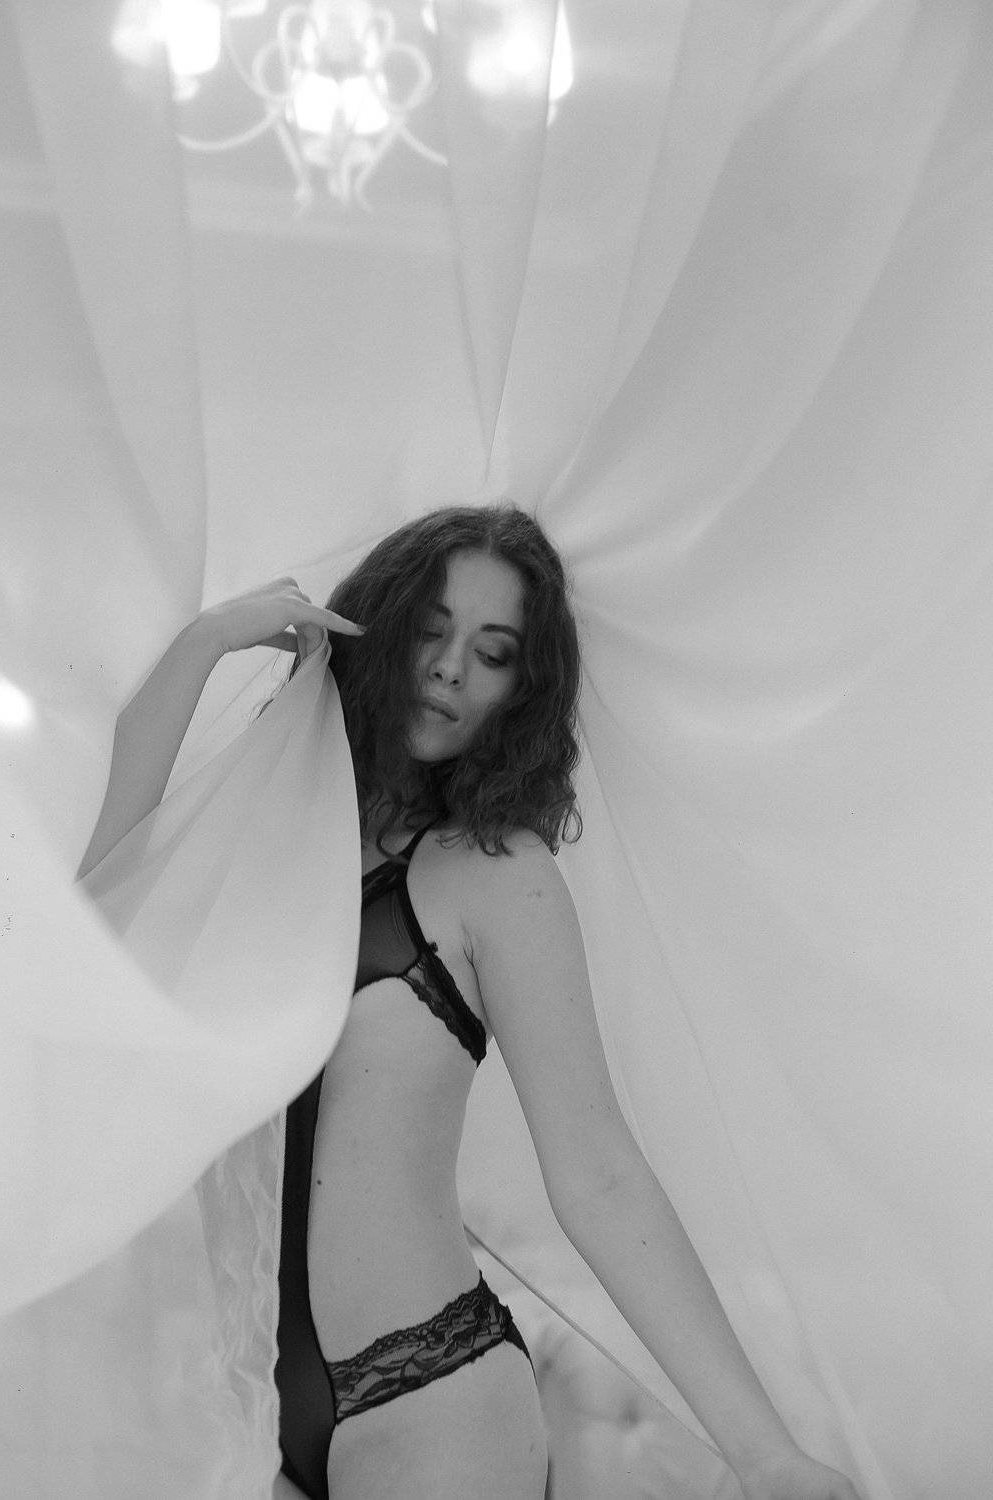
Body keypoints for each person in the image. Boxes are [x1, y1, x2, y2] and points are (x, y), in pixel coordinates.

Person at [78, 505, 864, 1500]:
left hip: (430, 1397)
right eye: (431, 630)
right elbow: (95, 932)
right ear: (377, 629)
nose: (450, 669)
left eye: (491, 653)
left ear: (518, 695)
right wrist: (203, 643)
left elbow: (598, 1172)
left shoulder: (495, 877)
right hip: (259, 1420)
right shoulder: (265, 854)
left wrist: (765, 1456)